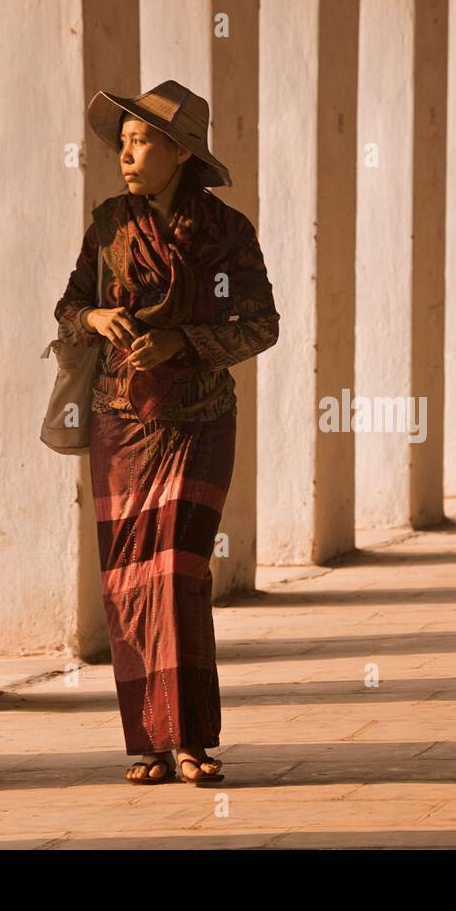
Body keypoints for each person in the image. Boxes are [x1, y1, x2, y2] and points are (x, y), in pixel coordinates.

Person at [53, 81, 279, 785]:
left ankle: (193, 738)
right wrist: (95, 321)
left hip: (201, 417)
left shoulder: (228, 234)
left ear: (180, 153)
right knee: (127, 582)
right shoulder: (109, 228)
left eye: (141, 141)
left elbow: (261, 324)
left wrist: (183, 341)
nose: (126, 153)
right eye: (121, 142)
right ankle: (148, 741)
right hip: (120, 421)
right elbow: (69, 305)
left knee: (178, 571)